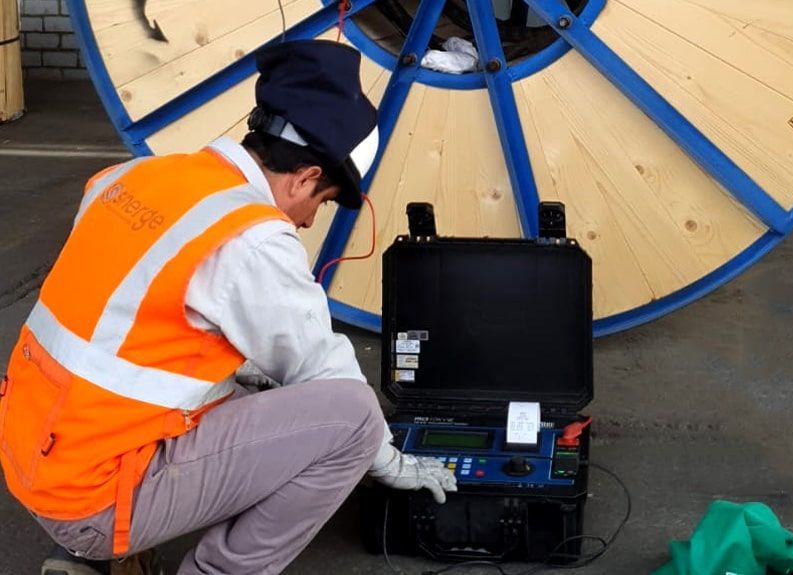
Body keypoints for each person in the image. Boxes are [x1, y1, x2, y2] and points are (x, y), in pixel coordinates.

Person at [0, 39, 456, 575]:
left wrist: (248, 378)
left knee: (252, 382)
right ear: (306, 176)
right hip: (95, 500)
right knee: (353, 419)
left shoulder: (137, 178)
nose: (308, 221)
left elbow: (133, 325)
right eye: (322, 202)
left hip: (35, 457)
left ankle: (87, 554)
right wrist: (393, 463)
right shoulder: (250, 236)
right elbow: (322, 369)